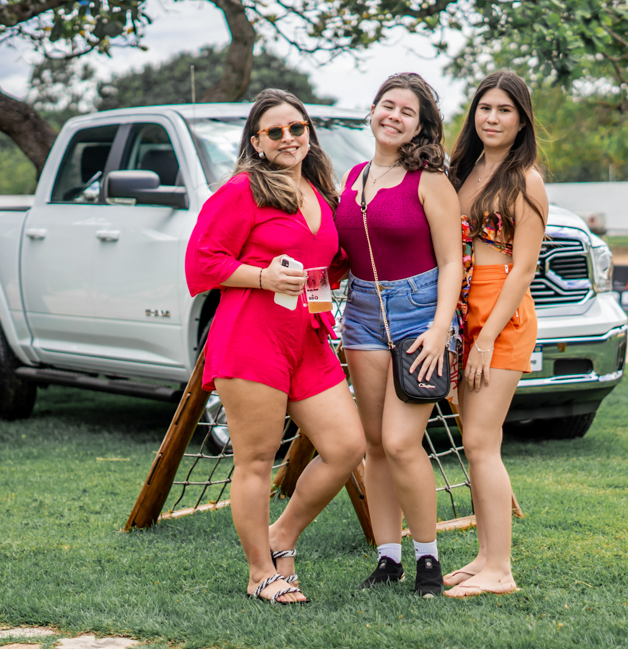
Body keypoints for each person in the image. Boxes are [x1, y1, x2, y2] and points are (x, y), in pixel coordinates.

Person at [185, 89, 366, 605]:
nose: (289, 138)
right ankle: (261, 573)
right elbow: (201, 263)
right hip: (251, 340)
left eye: (297, 128)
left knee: (346, 446)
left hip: (306, 339)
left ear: (309, 132)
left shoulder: (318, 190)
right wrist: (263, 277)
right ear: (257, 142)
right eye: (275, 132)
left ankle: (282, 534)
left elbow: (323, 266)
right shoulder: (241, 191)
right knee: (257, 462)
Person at [335, 73, 463, 597]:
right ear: (372, 110)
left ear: (420, 126)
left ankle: (428, 559)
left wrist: (440, 329)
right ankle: (388, 559)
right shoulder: (354, 176)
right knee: (374, 445)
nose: (394, 116)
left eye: (407, 112)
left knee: (401, 441)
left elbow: (452, 261)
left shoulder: (429, 181)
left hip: (420, 313)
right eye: (387, 105)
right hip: (362, 314)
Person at [442, 71, 548, 598]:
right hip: (463, 308)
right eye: (485, 107)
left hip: (501, 314)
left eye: (505, 110)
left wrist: (485, 339)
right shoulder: (463, 170)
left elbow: (524, 268)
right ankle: (484, 556)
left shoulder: (525, 179)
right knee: (478, 441)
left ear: (522, 120)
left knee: (482, 443)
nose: (492, 117)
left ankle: (500, 570)